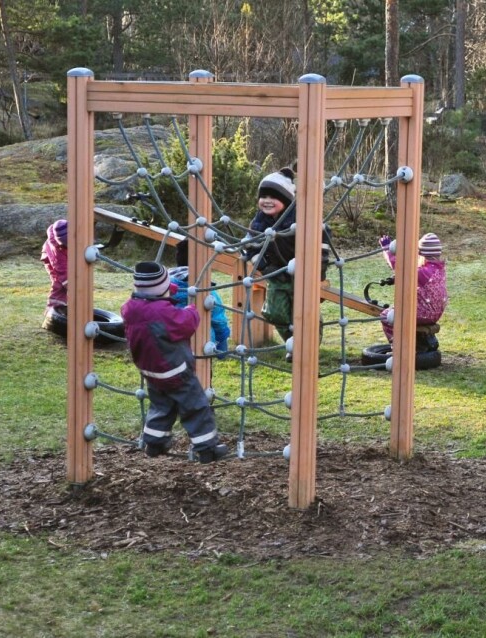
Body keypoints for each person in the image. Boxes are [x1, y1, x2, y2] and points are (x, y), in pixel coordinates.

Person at [120, 261, 229, 463]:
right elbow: (185, 324)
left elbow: (154, 302)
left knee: (162, 405)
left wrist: (168, 291)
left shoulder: (129, 308)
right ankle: (207, 448)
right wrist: (191, 310)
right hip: (175, 370)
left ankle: (154, 443)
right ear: (161, 290)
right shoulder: (164, 313)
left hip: (150, 371)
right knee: (196, 406)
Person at [243, 166, 330, 354]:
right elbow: (249, 247)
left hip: (304, 272)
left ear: (286, 200)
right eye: (263, 197)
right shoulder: (259, 222)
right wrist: (265, 266)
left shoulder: (301, 217)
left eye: (273, 198)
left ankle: (307, 346)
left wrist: (320, 267)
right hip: (277, 273)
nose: (266, 201)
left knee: (303, 311)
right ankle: (292, 341)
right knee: (274, 312)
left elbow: (322, 237)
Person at [377, 232, 448, 348]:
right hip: (435, 313)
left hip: (423, 314)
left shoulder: (423, 272)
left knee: (387, 316)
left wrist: (387, 249)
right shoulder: (439, 269)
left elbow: (399, 267)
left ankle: (398, 347)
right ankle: (413, 344)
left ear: (421, 254)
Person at [169, 238, 231, 358]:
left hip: (169, 347)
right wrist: (222, 347)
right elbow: (219, 320)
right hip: (202, 348)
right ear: (204, 262)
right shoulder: (205, 290)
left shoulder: (164, 286)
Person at [40, 219, 68, 313]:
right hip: (50, 258)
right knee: (59, 284)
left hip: (66, 255)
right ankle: (52, 311)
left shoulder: (72, 230)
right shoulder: (57, 251)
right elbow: (62, 270)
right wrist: (69, 285)